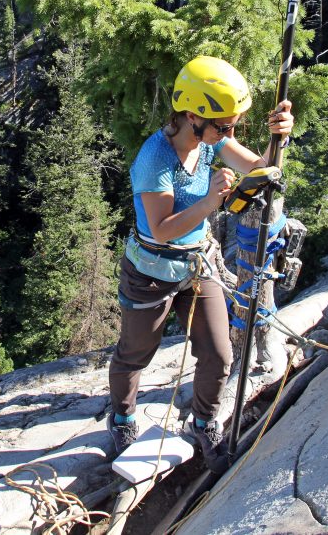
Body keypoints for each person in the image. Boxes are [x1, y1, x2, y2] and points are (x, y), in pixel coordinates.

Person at [107, 55, 294, 466]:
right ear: (192, 116)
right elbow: (160, 229)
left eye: (231, 125)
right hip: (151, 271)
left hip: (196, 264)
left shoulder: (211, 139)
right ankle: (121, 416)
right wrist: (211, 201)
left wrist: (279, 137)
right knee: (136, 352)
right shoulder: (156, 159)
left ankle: (203, 421)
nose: (228, 133)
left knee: (219, 353)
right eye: (222, 126)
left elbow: (262, 168)